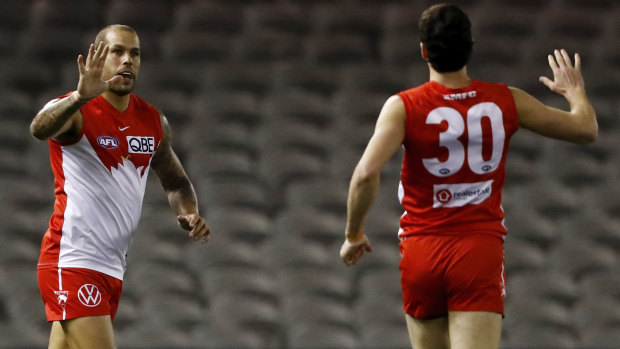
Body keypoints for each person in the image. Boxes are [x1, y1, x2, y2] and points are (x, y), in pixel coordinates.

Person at [339, 4, 597, 349]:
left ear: (423, 51)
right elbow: (585, 130)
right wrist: (574, 91)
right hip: (478, 250)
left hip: (421, 249)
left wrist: (353, 233)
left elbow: (365, 174)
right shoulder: (506, 100)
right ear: (470, 46)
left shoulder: (402, 107)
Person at [30, 24, 210, 349]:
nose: (127, 60)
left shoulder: (154, 121)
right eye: (118, 51)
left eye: (135, 54)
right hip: (73, 259)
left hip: (112, 267)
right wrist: (79, 96)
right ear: (99, 56)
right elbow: (39, 129)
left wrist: (189, 212)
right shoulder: (78, 110)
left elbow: (177, 183)